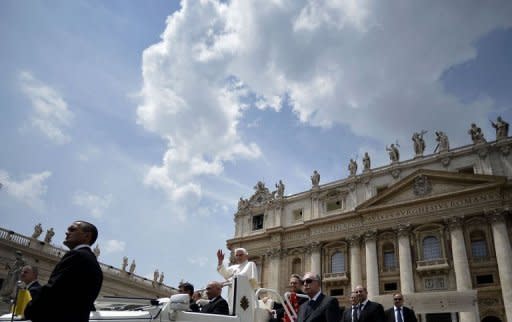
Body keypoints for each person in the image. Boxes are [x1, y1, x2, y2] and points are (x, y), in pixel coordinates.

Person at [24, 220, 103, 322]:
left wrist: (29, 309)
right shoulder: (93, 263)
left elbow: (53, 291)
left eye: (72, 229)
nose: (67, 232)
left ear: (87, 236)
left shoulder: (77, 255)